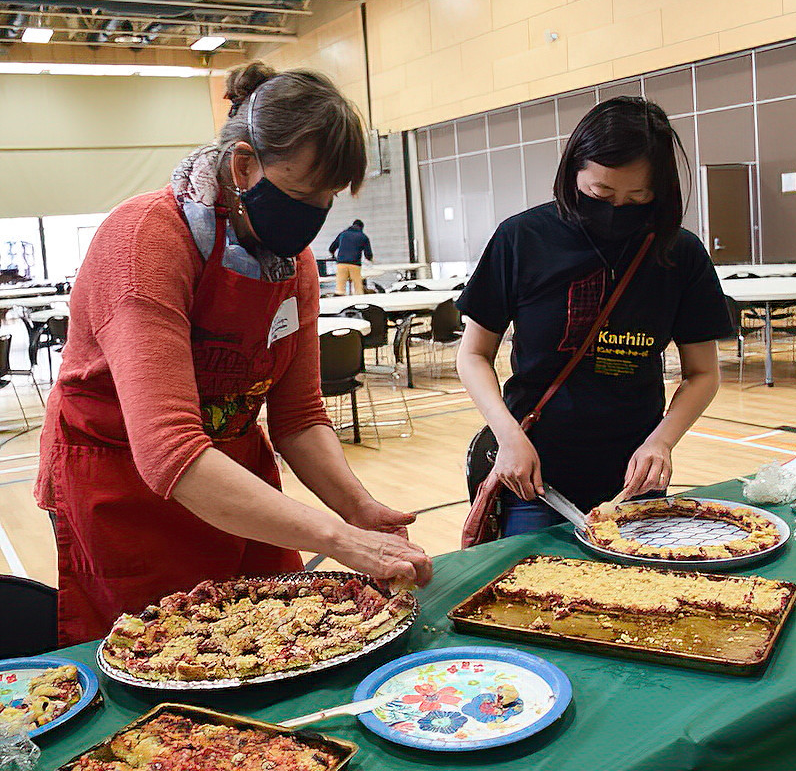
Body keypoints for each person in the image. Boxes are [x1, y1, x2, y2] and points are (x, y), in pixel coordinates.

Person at [35, 61, 431, 647]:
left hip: (238, 479)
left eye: (327, 198)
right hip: (124, 487)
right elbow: (170, 450)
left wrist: (358, 509)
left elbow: (298, 417)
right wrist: (341, 541)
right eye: (302, 193)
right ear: (244, 166)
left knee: (279, 642)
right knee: (166, 661)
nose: (314, 216)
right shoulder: (145, 239)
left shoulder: (289, 259)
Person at [456, 97, 732, 536]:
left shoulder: (679, 253)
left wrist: (661, 442)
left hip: (633, 477)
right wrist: (508, 436)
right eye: (600, 193)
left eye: (638, 196)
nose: (616, 208)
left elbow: (703, 373)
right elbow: (473, 354)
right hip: (534, 475)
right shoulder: (522, 238)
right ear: (573, 172)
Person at [329, 219, 373, 294]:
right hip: (355, 264)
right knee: (358, 289)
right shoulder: (363, 237)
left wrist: (334, 256)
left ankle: (341, 301)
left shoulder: (343, 234)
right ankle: (359, 303)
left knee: (340, 289)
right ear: (361, 227)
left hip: (341, 264)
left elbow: (331, 248)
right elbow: (368, 254)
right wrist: (370, 259)